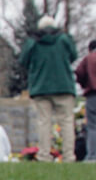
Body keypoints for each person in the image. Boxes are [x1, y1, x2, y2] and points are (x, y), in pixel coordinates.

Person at [19, 16, 78, 162]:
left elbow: (23, 60)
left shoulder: (33, 41)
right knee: (66, 121)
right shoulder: (64, 39)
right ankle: (69, 156)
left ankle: (44, 155)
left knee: (44, 122)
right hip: (63, 85)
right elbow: (74, 56)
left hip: (40, 87)